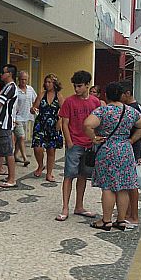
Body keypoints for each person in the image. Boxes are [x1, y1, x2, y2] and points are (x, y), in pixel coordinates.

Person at [83, 81, 141, 231]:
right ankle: (121, 220)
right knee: (123, 186)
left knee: (107, 187)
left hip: (107, 149)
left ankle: (106, 221)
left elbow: (87, 124)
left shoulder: (103, 111)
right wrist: (132, 139)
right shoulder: (130, 111)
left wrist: (93, 138)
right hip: (125, 150)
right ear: (121, 95)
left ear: (106, 95)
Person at [56, 70, 102, 222]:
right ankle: (65, 207)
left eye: (80, 86)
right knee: (69, 175)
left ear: (87, 85)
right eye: (75, 86)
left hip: (89, 144)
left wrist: (95, 139)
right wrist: (68, 141)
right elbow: (65, 122)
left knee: (83, 175)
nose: (77, 89)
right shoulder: (69, 101)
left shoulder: (95, 102)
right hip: (75, 143)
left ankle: (79, 205)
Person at [121, 82, 141, 228]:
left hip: (133, 149)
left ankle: (134, 215)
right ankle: (128, 211)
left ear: (128, 93)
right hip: (133, 148)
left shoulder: (134, 109)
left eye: (122, 94)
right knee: (129, 182)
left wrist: (131, 140)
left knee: (132, 184)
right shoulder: (136, 107)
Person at [0, 64, 19, 188]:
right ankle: (9, 176)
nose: (1, 74)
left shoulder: (10, 88)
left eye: (4, 72)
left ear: (10, 74)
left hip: (5, 123)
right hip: (1, 122)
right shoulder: (6, 87)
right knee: (5, 149)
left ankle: (12, 179)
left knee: (8, 151)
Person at [32, 74, 63, 182]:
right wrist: (33, 109)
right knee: (37, 147)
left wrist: (60, 121)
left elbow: (64, 111)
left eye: (50, 82)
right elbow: (34, 107)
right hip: (41, 123)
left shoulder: (58, 96)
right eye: (46, 82)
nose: (47, 84)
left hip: (53, 125)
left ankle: (49, 173)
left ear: (54, 84)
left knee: (51, 150)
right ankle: (40, 165)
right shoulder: (41, 95)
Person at [13, 70, 37, 167]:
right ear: (19, 79)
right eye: (22, 79)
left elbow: (35, 100)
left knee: (19, 138)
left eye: (25, 79)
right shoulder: (15, 90)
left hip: (26, 116)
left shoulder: (30, 89)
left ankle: (15, 155)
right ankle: (25, 158)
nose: (23, 81)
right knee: (22, 137)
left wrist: (34, 108)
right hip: (17, 117)